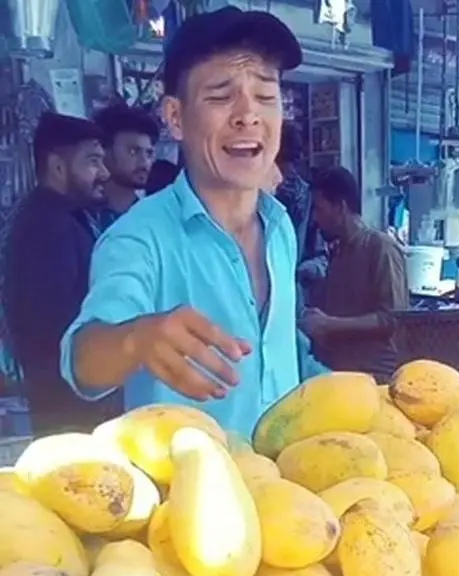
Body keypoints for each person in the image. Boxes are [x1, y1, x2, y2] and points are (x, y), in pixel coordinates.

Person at [58, 6, 315, 436]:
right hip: (190, 495)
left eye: (267, 97)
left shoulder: (281, 227)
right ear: (175, 118)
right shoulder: (139, 238)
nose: (248, 115)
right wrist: (136, 338)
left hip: (288, 491)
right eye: (220, 95)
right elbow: (82, 360)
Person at [2, 112, 121, 434]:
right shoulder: (45, 226)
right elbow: (50, 323)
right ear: (57, 166)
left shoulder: (63, 218)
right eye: (93, 161)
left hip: (72, 399)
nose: (105, 172)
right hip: (69, 407)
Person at [300, 166, 409, 382]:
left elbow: (393, 319)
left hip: (374, 380)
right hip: (336, 378)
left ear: (340, 207)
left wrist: (329, 324)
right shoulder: (338, 253)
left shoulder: (381, 248)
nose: (315, 219)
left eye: (319, 209)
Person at [273, 122, 329, 302]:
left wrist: (307, 269)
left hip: (296, 297)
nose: (287, 171)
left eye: (292, 162)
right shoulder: (249, 196)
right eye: (281, 162)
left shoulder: (308, 199)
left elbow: (322, 257)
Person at [90, 103, 159, 231]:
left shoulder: (154, 218)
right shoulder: (84, 219)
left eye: (148, 153)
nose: (144, 163)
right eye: (133, 151)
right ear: (104, 151)